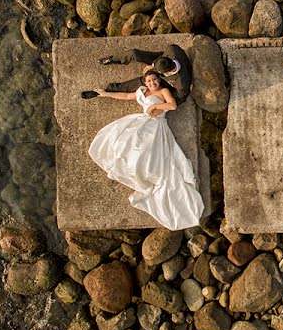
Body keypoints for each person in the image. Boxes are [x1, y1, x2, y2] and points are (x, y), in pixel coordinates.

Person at [87, 71, 204, 231]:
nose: (152, 83)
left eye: (154, 80)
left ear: (158, 80)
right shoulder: (142, 91)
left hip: (156, 125)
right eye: (149, 81)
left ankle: (141, 170)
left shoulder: (164, 91)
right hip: (142, 120)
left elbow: (172, 105)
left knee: (149, 156)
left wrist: (156, 105)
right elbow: (127, 97)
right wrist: (105, 94)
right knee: (122, 142)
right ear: (145, 82)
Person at [86, 44, 193, 104]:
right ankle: (112, 59)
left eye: (158, 71)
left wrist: (160, 95)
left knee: (142, 82)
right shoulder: (172, 50)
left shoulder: (182, 83)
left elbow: (180, 98)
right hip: (159, 60)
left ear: (167, 72)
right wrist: (153, 65)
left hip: (165, 83)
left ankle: (106, 91)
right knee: (135, 54)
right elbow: (163, 55)